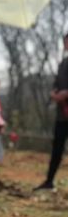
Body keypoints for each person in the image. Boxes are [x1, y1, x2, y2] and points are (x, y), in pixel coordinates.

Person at [35, 34, 68, 192]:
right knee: (57, 148)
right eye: (65, 41)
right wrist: (54, 94)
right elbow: (56, 84)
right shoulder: (63, 64)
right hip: (62, 115)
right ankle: (49, 181)